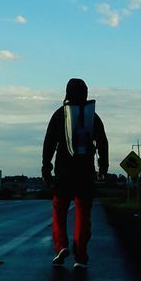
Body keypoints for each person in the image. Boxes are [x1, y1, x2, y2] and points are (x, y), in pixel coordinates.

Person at [41, 77, 108, 270]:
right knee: (83, 214)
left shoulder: (59, 115)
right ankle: (80, 256)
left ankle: (61, 245)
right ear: (85, 93)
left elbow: (49, 143)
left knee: (59, 210)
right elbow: (102, 142)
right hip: (85, 172)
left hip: (64, 172)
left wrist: (46, 167)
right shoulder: (92, 117)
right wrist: (103, 167)